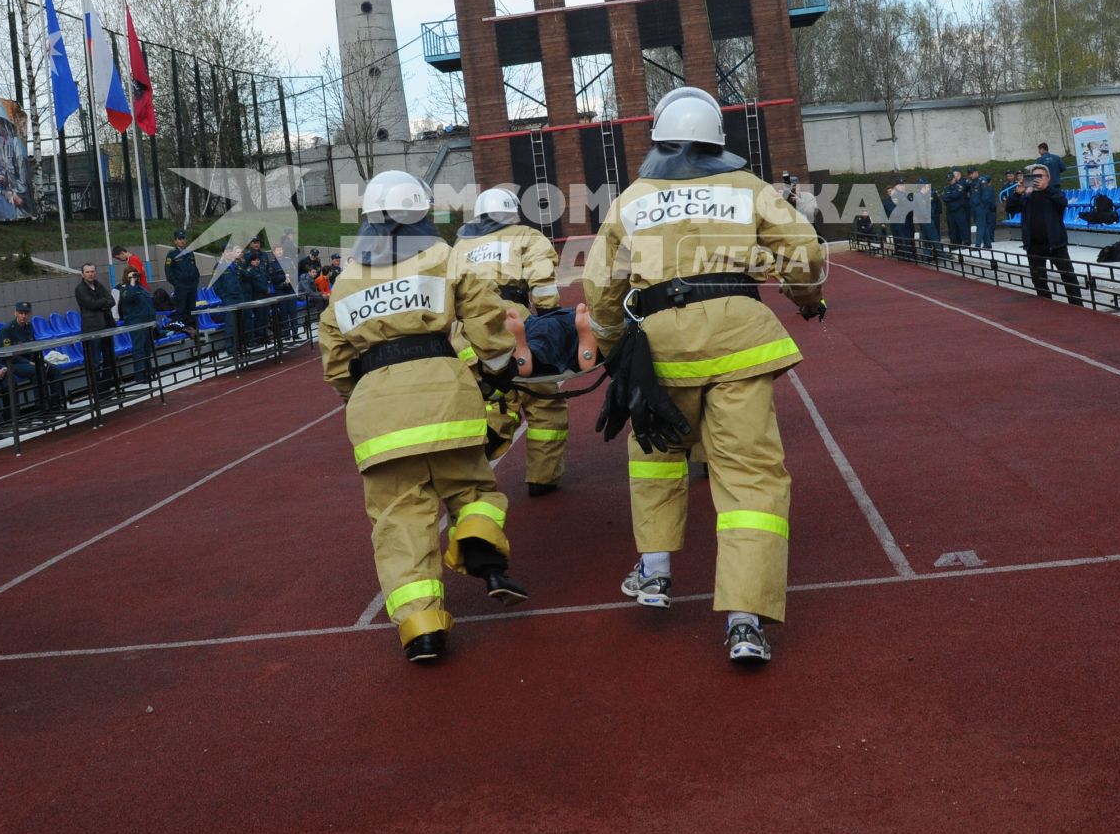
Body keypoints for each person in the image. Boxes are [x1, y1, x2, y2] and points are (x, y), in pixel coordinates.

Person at [582, 86, 826, 666]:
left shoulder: (632, 199)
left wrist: (616, 344)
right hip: (741, 342)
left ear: (660, 139)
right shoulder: (747, 188)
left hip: (661, 345)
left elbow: (601, 286)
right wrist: (806, 299)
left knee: (655, 454)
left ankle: (656, 571)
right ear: (719, 139)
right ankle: (746, 618)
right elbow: (804, 253)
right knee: (751, 479)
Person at [318, 169, 528, 664]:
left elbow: (334, 361)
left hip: (377, 415)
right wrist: (499, 369)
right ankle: (475, 533)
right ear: (422, 211)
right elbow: (484, 315)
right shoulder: (445, 257)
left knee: (398, 521)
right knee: (474, 487)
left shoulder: (345, 279)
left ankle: (422, 626)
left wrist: (366, 394)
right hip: (445, 395)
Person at [451, 186, 569, 497]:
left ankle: (470, 474)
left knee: (491, 398)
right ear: (514, 212)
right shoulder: (526, 237)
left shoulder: (460, 245)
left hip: (466, 329)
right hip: (510, 319)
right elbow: (542, 281)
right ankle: (542, 478)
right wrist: (549, 319)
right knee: (544, 400)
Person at [1004, 164, 1083, 305]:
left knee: (1068, 276)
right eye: (1034, 177)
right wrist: (1017, 193)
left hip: (1055, 244)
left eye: (1041, 176)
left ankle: (1077, 305)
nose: (1037, 180)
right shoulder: (1027, 195)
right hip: (1034, 245)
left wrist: (1047, 188)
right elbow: (1010, 208)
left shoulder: (1054, 192)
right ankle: (1046, 305)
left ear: (1048, 178)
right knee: (1038, 278)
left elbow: (1062, 202)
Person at [74, 262, 122, 396]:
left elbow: (111, 301)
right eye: (88, 272)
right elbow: (91, 304)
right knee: (94, 362)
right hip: (92, 329)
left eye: (92, 271)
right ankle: (97, 390)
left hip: (106, 326)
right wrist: (102, 302)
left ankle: (106, 387)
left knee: (109, 358)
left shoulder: (99, 285)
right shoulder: (80, 289)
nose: (90, 274)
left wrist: (100, 302)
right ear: (83, 274)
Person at [0, 302, 54, 412]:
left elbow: (33, 347)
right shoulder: (6, 330)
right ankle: (42, 407)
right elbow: (7, 354)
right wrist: (27, 362)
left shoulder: (29, 327)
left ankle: (56, 403)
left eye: (26, 313)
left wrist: (40, 360)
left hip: (30, 361)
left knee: (54, 370)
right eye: (21, 313)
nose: (23, 316)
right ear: (15, 313)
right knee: (37, 371)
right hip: (13, 363)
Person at [116, 269, 159, 384]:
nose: (135, 277)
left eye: (136, 275)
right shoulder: (124, 288)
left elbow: (149, 304)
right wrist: (132, 282)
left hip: (147, 321)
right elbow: (129, 297)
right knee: (139, 349)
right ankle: (140, 376)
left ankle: (149, 372)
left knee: (147, 348)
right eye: (131, 276)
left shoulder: (141, 288)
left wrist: (153, 320)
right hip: (136, 322)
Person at [164, 230, 200, 326]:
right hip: (181, 287)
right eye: (179, 239)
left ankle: (193, 330)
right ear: (175, 241)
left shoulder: (190, 253)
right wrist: (177, 285)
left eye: (183, 238)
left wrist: (196, 281)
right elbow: (168, 273)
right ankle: (184, 330)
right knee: (182, 309)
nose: (182, 241)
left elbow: (195, 268)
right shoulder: (172, 254)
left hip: (192, 286)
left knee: (192, 309)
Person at [967, 166, 995, 249]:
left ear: (976, 172)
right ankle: (988, 244)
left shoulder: (982, 181)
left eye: (972, 173)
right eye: (969, 174)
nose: (970, 175)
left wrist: (982, 205)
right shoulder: (972, 182)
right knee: (983, 225)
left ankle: (977, 245)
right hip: (974, 207)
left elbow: (986, 195)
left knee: (980, 226)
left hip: (980, 207)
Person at [942, 169, 970, 246]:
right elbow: (944, 198)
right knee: (952, 229)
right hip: (950, 211)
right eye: (948, 180)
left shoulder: (959, 187)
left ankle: (966, 242)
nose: (950, 181)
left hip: (959, 210)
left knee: (962, 227)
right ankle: (955, 244)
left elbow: (956, 195)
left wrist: (950, 196)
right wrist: (951, 196)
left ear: (954, 179)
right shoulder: (946, 188)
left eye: (951, 179)